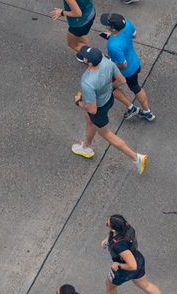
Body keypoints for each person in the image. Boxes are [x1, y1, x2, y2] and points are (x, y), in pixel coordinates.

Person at [71, 46, 148, 175]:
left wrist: (79, 102)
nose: (83, 57)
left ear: (88, 61)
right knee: (89, 120)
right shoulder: (107, 62)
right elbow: (122, 80)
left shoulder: (87, 81)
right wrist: (110, 87)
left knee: (107, 134)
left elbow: (92, 109)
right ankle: (86, 146)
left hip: (99, 109)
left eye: (84, 57)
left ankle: (137, 158)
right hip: (109, 100)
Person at [88, 214, 176, 294]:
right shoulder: (128, 228)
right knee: (146, 285)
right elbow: (116, 236)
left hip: (125, 269)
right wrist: (107, 240)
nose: (106, 223)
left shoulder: (119, 246)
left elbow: (132, 265)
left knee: (110, 286)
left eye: (108, 224)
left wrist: (118, 265)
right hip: (138, 259)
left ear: (114, 228)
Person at [100, 14, 154, 121]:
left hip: (126, 71)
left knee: (109, 87)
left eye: (107, 24)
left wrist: (108, 64)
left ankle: (132, 108)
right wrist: (116, 37)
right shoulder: (127, 23)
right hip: (135, 63)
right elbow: (134, 35)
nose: (105, 25)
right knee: (136, 87)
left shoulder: (112, 45)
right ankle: (147, 112)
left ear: (113, 29)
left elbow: (123, 64)